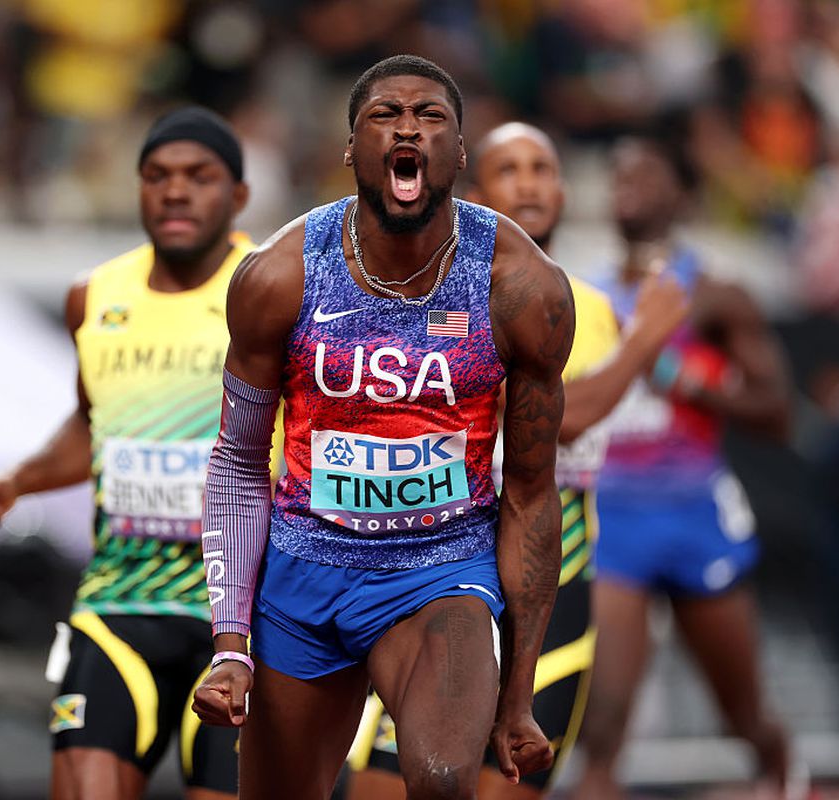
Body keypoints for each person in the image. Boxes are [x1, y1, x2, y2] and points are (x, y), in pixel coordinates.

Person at [190, 55, 575, 800]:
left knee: (441, 782)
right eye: (384, 115)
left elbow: (531, 493)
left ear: (459, 154)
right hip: (304, 572)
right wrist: (231, 646)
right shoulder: (279, 276)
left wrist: (518, 695)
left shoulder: (522, 287)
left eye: (430, 117)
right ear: (349, 149)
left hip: (441, 572)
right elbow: (238, 463)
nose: (407, 129)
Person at [346, 123, 689, 799]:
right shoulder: (442, 302)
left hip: (554, 596)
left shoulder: (594, 310)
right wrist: (645, 341)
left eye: (542, 169)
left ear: (563, 192)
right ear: (474, 194)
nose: (529, 184)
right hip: (444, 586)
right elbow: (566, 417)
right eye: (510, 170)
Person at [0, 107, 255, 800]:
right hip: (120, 597)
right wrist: (15, 483)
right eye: (157, 175)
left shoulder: (270, 290)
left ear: (238, 195)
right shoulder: (94, 297)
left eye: (199, 176)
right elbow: (94, 424)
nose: (175, 191)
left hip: (240, 618)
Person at [572, 132, 800, 800]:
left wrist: (685, 380)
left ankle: (787, 778)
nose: (627, 185)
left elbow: (777, 414)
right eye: (618, 176)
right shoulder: (585, 297)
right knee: (602, 728)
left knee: (744, 716)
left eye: (644, 174)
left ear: (679, 192)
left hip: (694, 511)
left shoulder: (717, 296)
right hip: (615, 517)